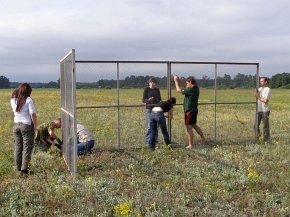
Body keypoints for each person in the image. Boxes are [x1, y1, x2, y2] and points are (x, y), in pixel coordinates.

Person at [10, 83, 37, 176]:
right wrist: (35, 126)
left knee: (18, 148)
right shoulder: (28, 100)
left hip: (16, 125)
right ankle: (24, 169)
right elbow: (32, 114)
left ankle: (18, 168)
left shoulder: (13, 100)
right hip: (26, 125)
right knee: (27, 148)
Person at [174, 75, 207, 149]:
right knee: (194, 125)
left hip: (189, 111)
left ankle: (190, 145)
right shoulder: (196, 88)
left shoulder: (191, 90)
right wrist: (179, 80)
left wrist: (176, 82)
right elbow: (185, 85)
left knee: (189, 127)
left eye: (187, 83)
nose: (187, 84)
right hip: (194, 110)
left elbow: (179, 90)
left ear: (191, 82)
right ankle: (204, 139)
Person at [142, 77, 162, 145]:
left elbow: (159, 99)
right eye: (151, 82)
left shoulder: (157, 90)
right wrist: (148, 100)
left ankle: (155, 141)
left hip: (156, 109)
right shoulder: (146, 89)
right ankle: (148, 141)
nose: (152, 84)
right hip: (149, 109)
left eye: (154, 83)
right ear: (149, 83)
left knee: (156, 126)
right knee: (149, 126)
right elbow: (143, 100)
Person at [254, 77, 271, 141]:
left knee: (265, 126)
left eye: (262, 81)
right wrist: (255, 94)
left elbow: (265, 100)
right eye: (260, 81)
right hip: (258, 109)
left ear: (266, 82)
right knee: (255, 125)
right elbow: (257, 96)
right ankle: (258, 138)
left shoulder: (268, 89)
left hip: (265, 110)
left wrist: (258, 97)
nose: (260, 82)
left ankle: (266, 139)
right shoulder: (260, 89)